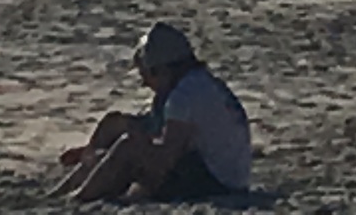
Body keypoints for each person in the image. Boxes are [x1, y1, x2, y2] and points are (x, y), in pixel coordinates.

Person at [50, 22, 252, 203]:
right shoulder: (198, 83)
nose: (144, 83)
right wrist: (95, 150)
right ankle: (60, 194)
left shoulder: (184, 96)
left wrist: (126, 157)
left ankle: (79, 199)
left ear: (161, 71)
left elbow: (166, 157)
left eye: (145, 75)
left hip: (218, 183)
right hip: (218, 173)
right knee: (116, 128)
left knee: (128, 148)